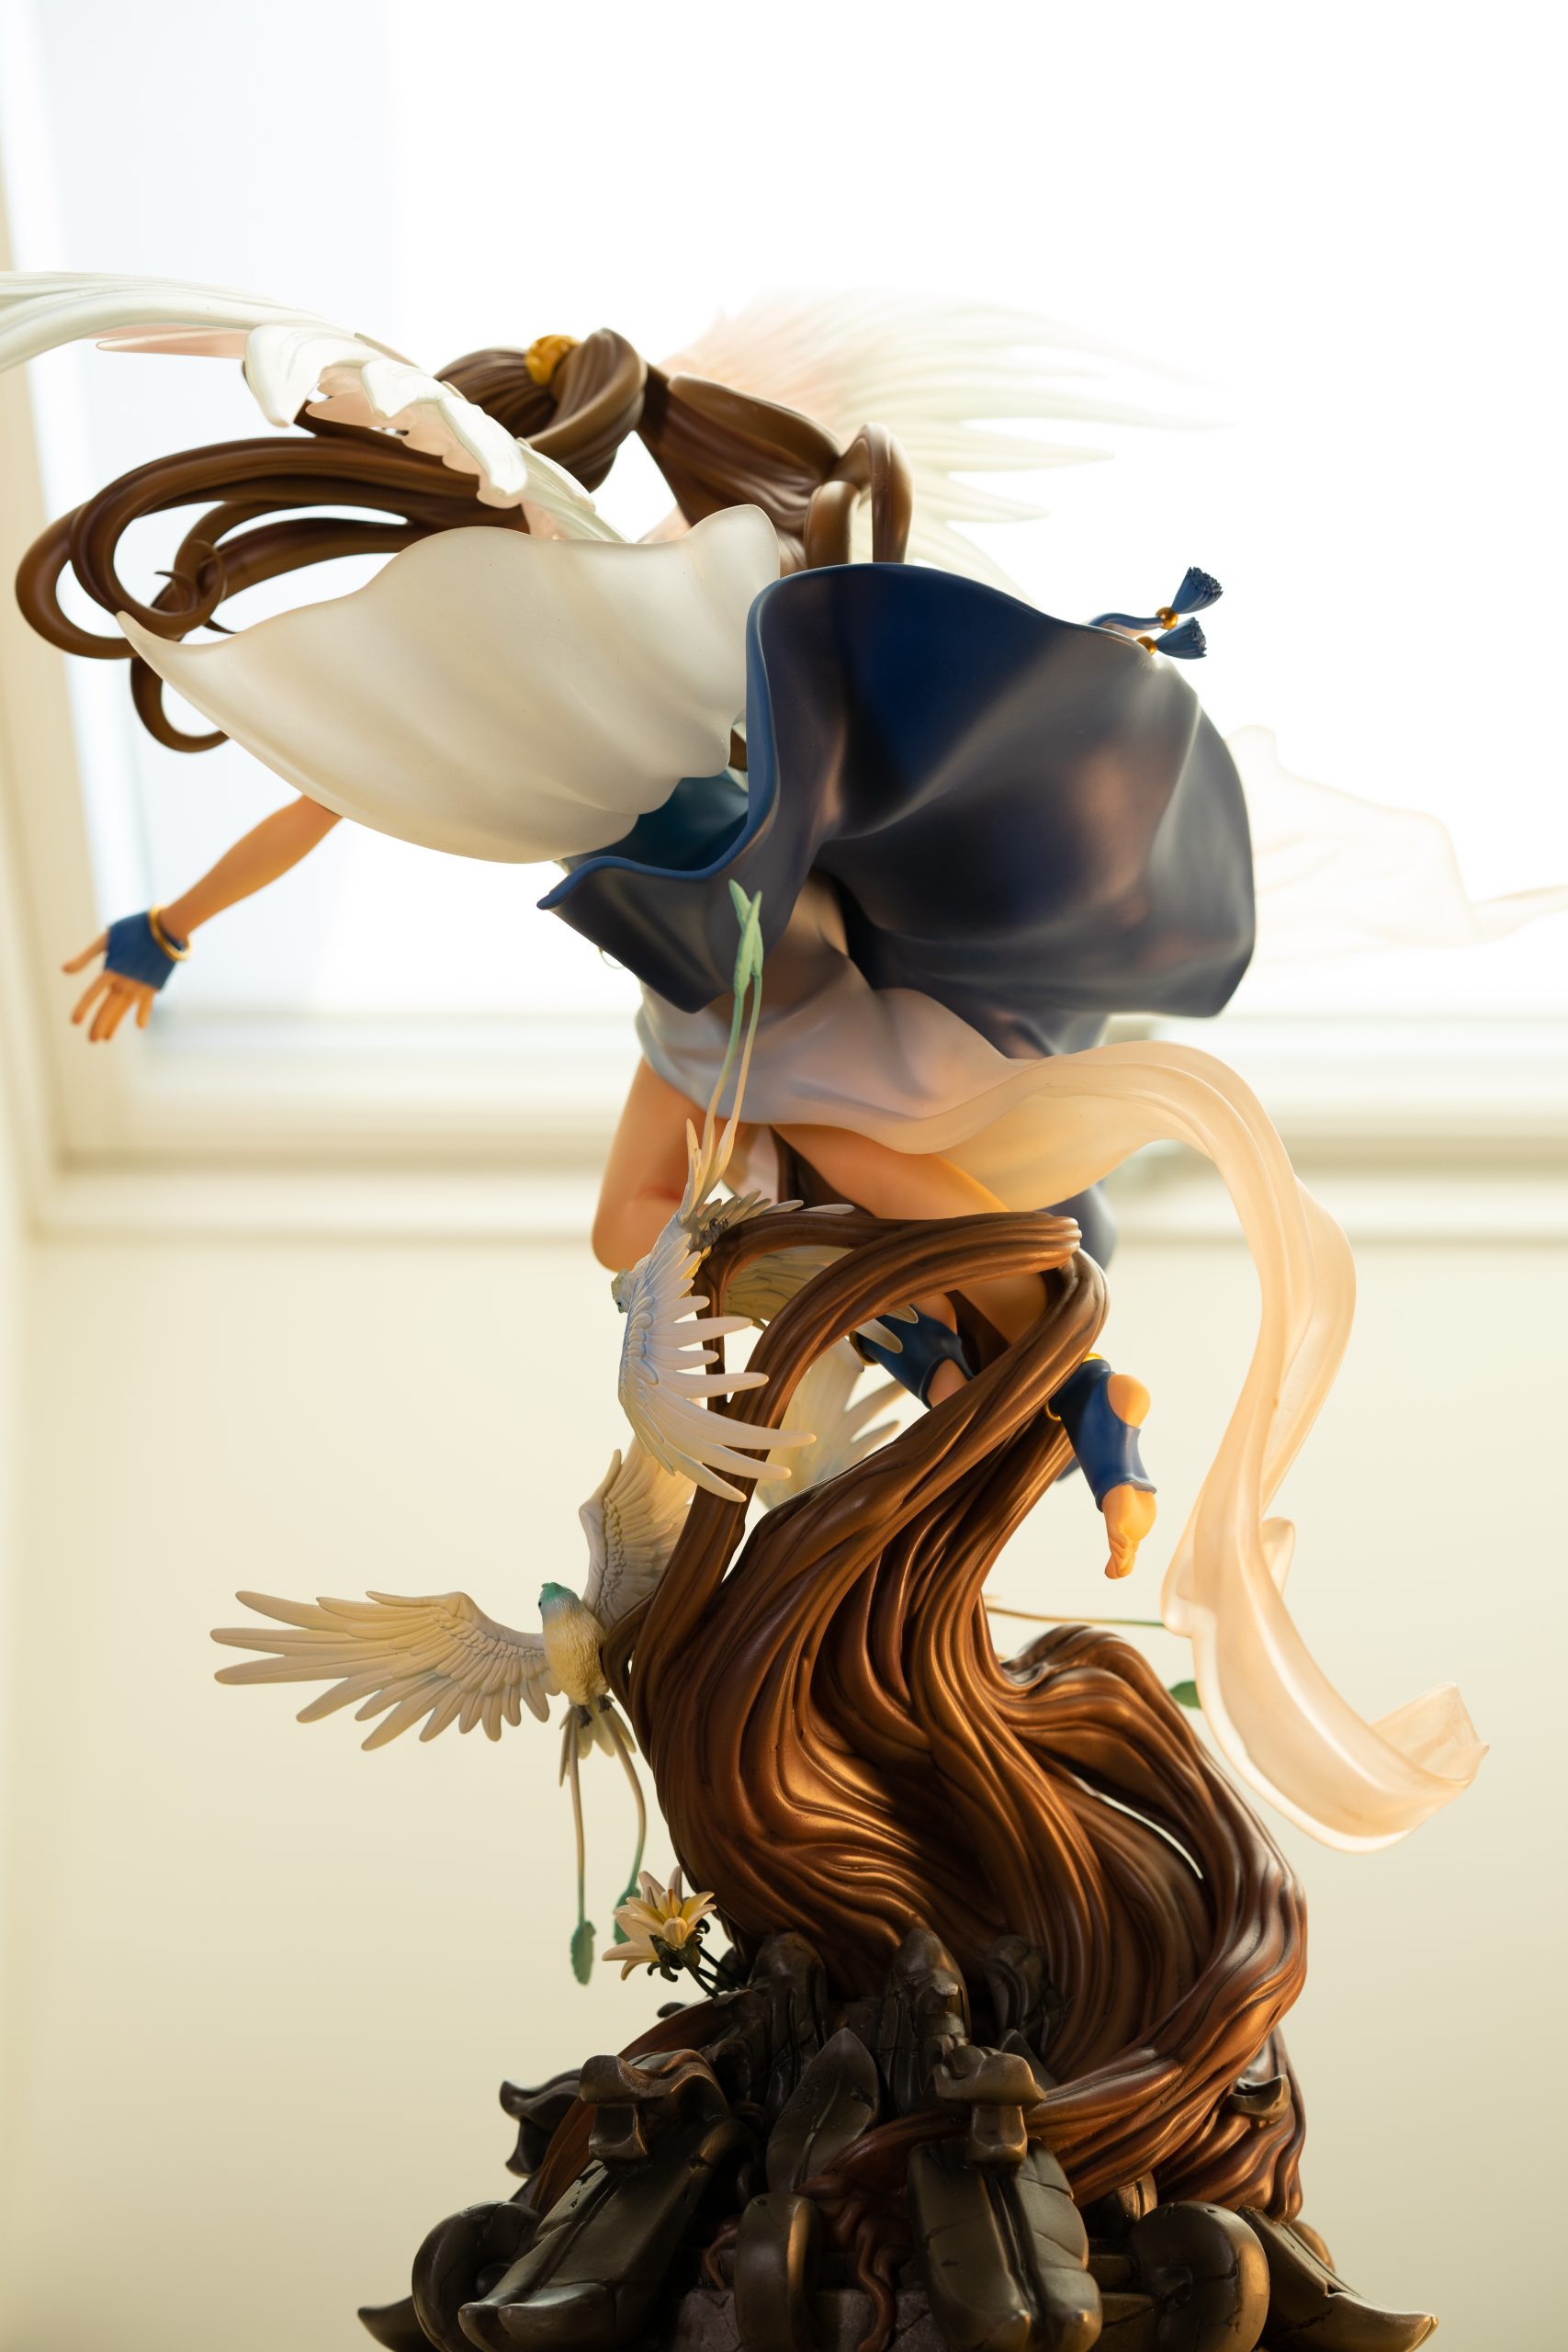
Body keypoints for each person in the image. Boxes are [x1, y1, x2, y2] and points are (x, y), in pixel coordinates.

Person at [1, 274, 1485, 1850]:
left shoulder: (650, 581)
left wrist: (1066, 668)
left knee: (845, 1148)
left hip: (768, 947)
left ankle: (1057, 1354)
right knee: (637, 1230)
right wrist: (174, 921)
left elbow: (863, 681)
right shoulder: (509, 642)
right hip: (691, 982)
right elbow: (324, 798)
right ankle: (940, 1338)